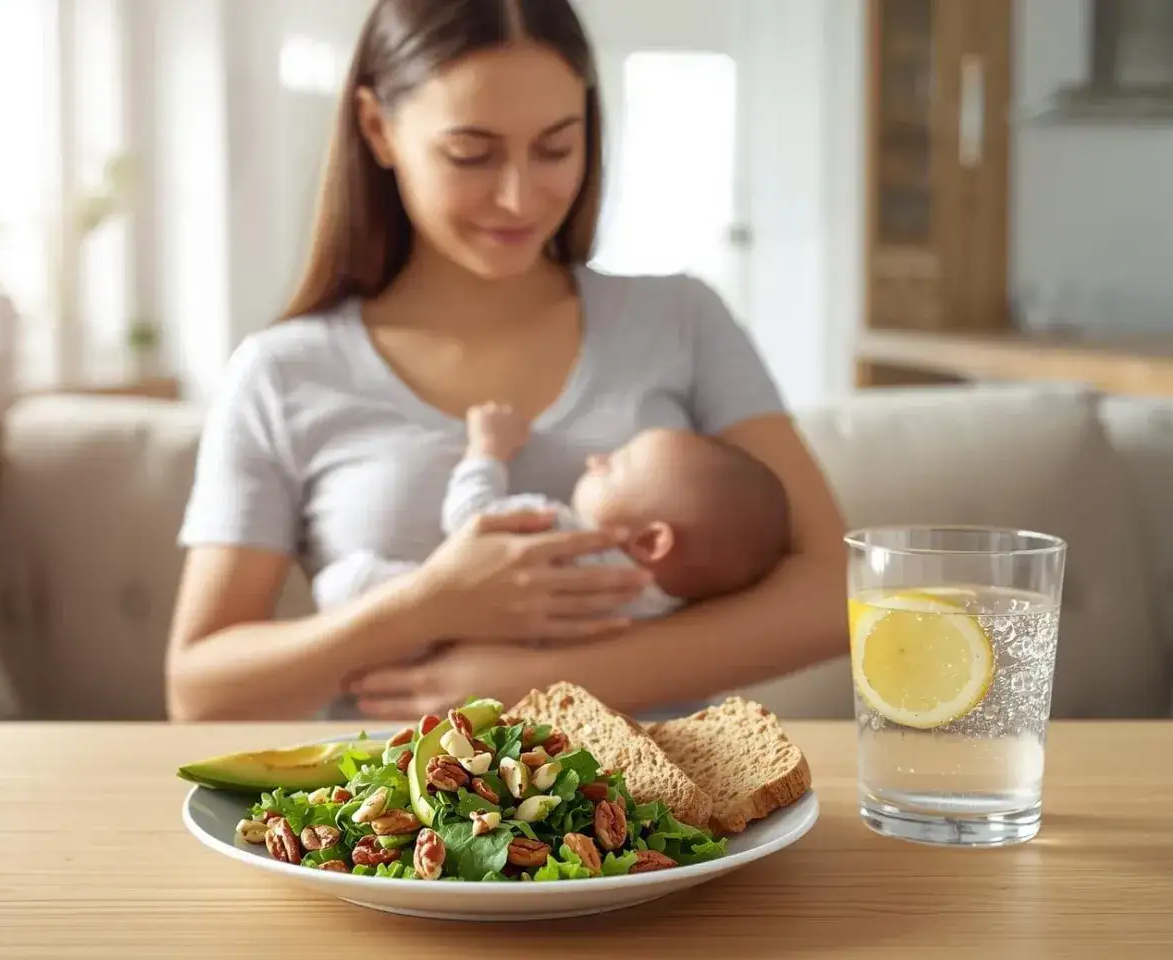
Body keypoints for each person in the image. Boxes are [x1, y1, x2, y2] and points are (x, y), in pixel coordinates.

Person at [164, 0, 849, 723]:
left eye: (556, 148)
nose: (519, 197)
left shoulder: (681, 319)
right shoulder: (283, 372)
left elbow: (837, 593)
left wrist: (543, 685)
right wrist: (427, 604)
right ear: (377, 128)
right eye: (471, 154)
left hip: (656, 793)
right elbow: (199, 692)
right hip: (400, 795)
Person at [314, 402, 792, 624]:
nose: (595, 460)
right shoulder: (662, 607)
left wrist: (488, 451)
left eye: (614, 465)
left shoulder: (553, 529)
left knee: (344, 584)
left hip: (439, 637)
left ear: (650, 541)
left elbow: (469, 521)